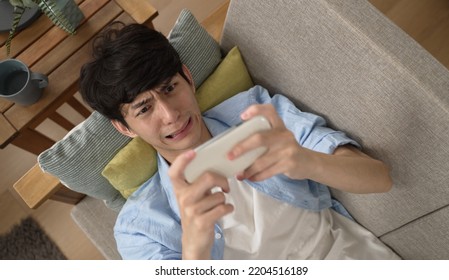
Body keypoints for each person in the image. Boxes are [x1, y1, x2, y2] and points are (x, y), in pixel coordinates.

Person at [80, 23, 400, 260]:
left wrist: (306, 160)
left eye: (169, 88)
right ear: (124, 127)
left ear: (188, 78)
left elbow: (379, 178)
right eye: (144, 108)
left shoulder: (257, 113)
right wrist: (195, 243)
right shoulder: (138, 227)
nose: (170, 115)